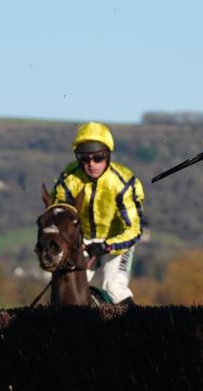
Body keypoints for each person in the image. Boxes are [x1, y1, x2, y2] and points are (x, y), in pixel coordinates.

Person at [50, 121, 145, 305]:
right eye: (84, 159)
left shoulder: (123, 183)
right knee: (66, 286)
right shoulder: (69, 179)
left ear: (108, 156)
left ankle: (137, 323)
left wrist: (106, 246)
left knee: (114, 288)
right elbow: (59, 218)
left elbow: (135, 229)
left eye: (98, 158)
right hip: (83, 242)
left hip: (116, 243)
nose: (91, 164)